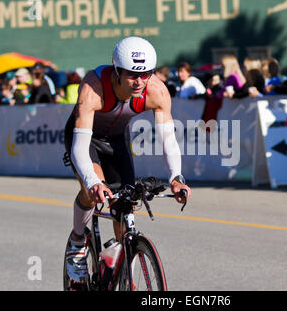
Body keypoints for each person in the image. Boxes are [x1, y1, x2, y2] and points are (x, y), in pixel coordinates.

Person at [63, 36, 191, 290]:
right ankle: (78, 243)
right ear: (117, 70)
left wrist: (177, 177)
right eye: (132, 74)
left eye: (145, 74)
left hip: (117, 139)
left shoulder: (156, 90)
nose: (139, 81)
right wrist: (93, 181)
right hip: (85, 138)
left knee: (126, 203)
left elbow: (168, 140)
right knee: (93, 190)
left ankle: (123, 268)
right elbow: (80, 147)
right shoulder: (93, 87)